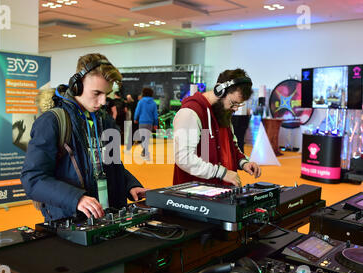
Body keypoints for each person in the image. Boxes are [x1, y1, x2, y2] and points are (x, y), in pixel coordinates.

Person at [21, 53, 147, 222]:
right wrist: (76, 198)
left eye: (107, 94)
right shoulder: (52, 122)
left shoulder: (105, 119)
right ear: (77, 86)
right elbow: (33, 179)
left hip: (110, 214)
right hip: (70, 218)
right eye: (96, 93)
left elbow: (111, 165)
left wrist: (130, 184)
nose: (103, 101)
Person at [173, 68, 261, 187]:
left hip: (221, 192)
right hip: (196, 196)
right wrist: (222, 173)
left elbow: (230, 146)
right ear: (219, 91)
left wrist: (243, 163)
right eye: (233, 103)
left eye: (239, 105)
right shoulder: (190, 113)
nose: (235, 109)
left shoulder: (223, 113)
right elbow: (184, 158)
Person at [134, 88, 158, 160]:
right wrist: (156, 124)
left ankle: (146, 153)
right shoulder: (153, 103)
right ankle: (144, 152)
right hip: (150, 123)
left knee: (143, 138)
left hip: (142, 122)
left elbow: (137, 111)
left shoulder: (141, 102)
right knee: (147, 138)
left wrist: (135, 119)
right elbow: (155, 115)